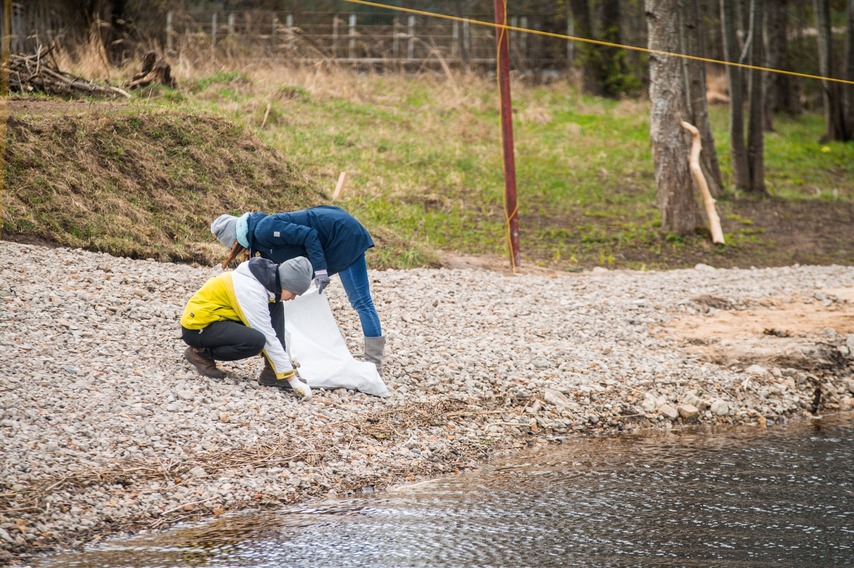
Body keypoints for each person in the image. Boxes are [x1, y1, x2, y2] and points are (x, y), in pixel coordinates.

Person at [210, 205, 386, 372]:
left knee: (361, 301)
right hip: (331, 235)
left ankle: (374, 364)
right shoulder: (259, 239)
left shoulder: (264, 229)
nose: (234, 249)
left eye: (232, 245)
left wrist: (320, 269)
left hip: (343, 235)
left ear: (235, 238)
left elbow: (310, 235)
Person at [180, 255, 314, 399]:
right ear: (286, 283)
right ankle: (200, 354)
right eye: (294, 293)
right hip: (198, 327)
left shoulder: (267, 283)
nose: (293, 298)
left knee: (275, 303)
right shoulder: (251, 290)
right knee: (256, 341)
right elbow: (268, 336)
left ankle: (273, 373)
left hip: (221, 318)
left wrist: (283, 371)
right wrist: (293, 380)